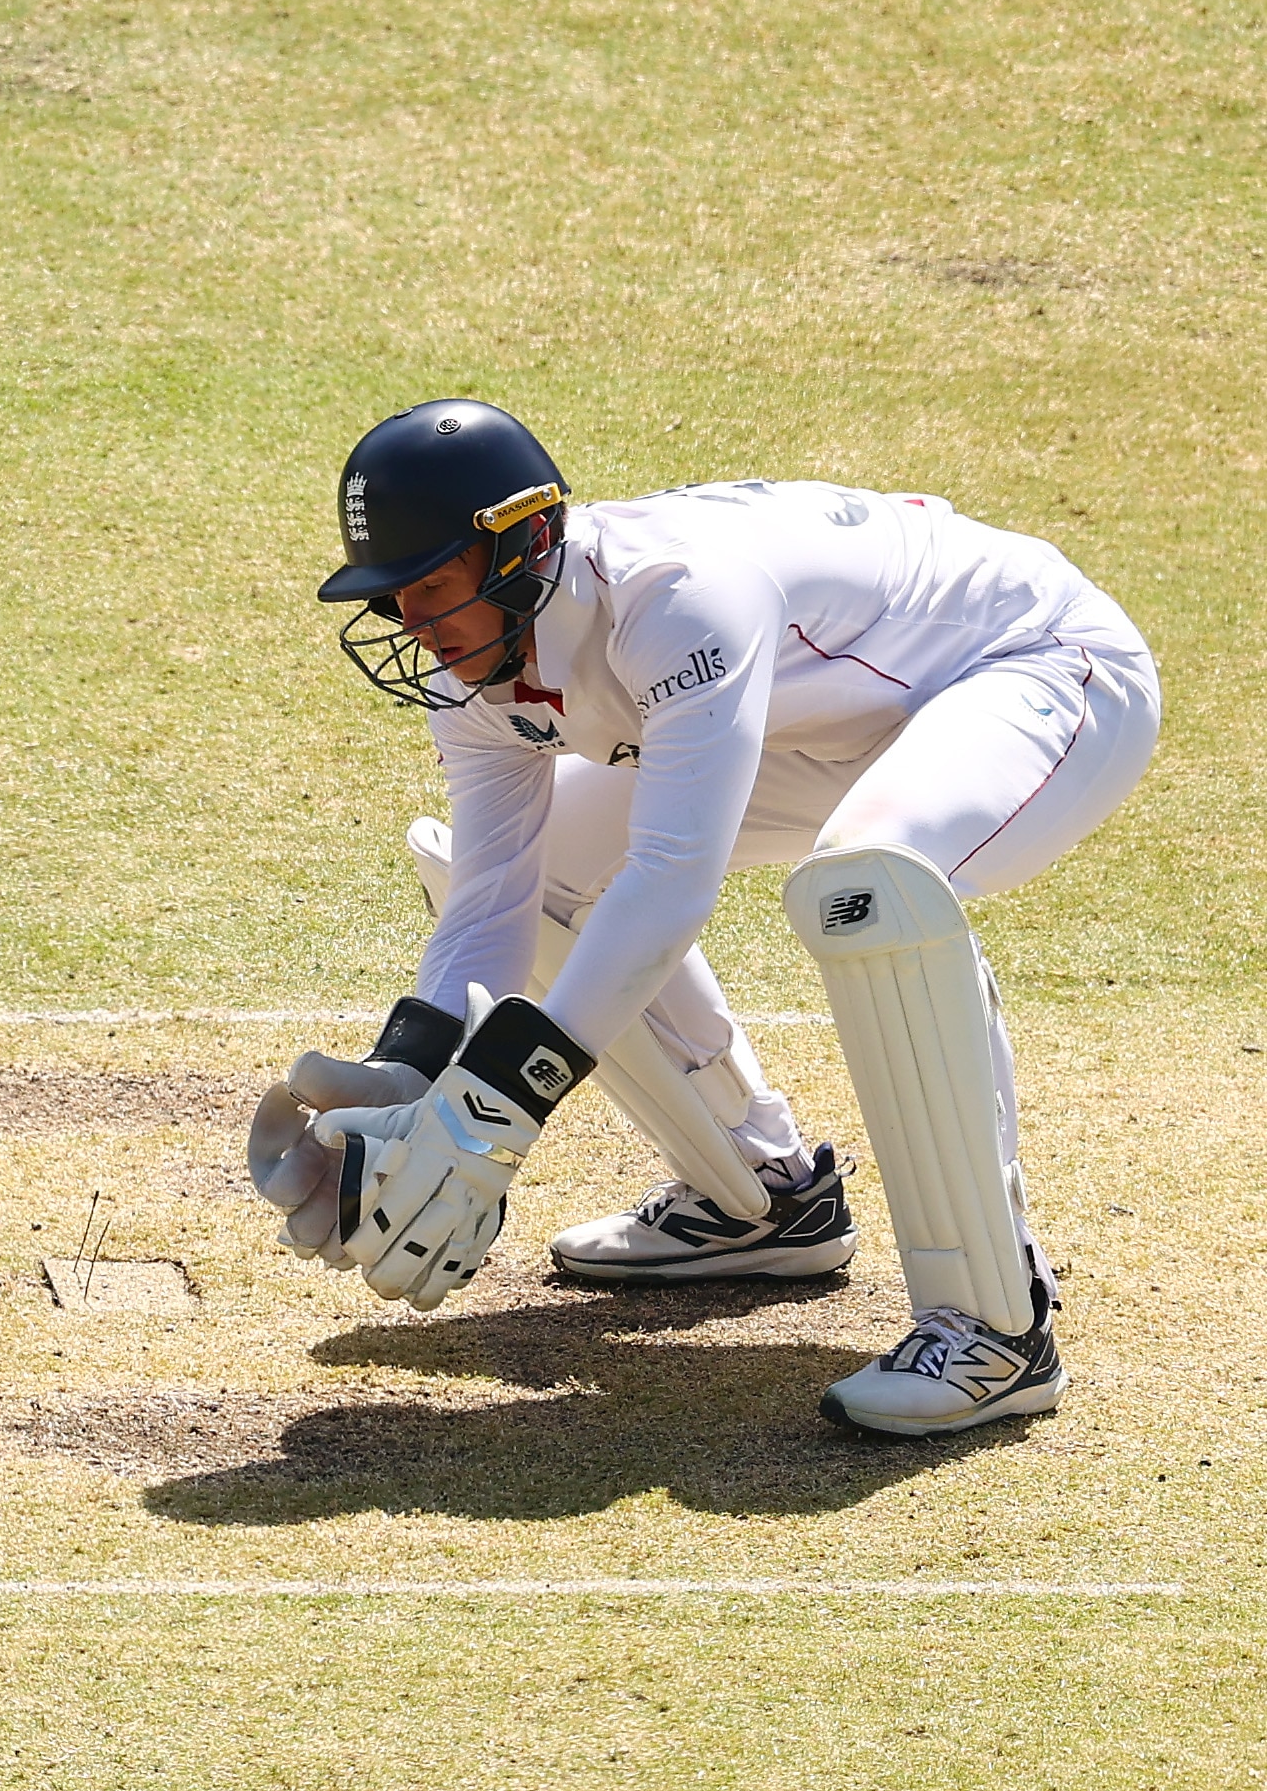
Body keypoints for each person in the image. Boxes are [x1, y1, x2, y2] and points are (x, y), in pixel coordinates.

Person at [247, 400, 1158, 1433]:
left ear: (522, 548)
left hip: (1034, 669)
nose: (415, 628)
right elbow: (495, 890)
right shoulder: (472, 674)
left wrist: (496, 1106)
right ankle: (760, 1199)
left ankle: (995, 1327)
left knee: (865, 891)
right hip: (812, 723)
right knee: (517, 866)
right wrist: (409, 1084)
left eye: (433, 591)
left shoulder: (676, 601)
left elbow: (672, 879)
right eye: (393, 602)